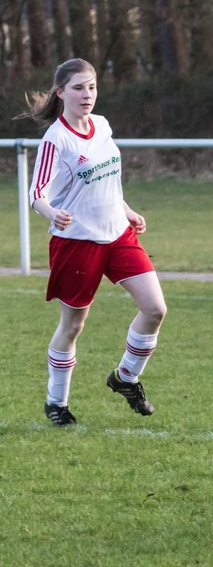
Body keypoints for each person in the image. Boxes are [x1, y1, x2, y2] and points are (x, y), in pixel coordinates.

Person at [18, 58, 168, 426]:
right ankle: (57, 403)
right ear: (60, 93)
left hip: (118, 234)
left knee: (155, 309)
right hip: (77, 243)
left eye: (92, 87)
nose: (87, 95)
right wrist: (52, 213)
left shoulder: (101, 125)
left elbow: (108, 180)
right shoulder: (56, 138)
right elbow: (36, 193)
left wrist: (127, 209)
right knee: (73, 326)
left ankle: (126, 378)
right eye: (78, 88)